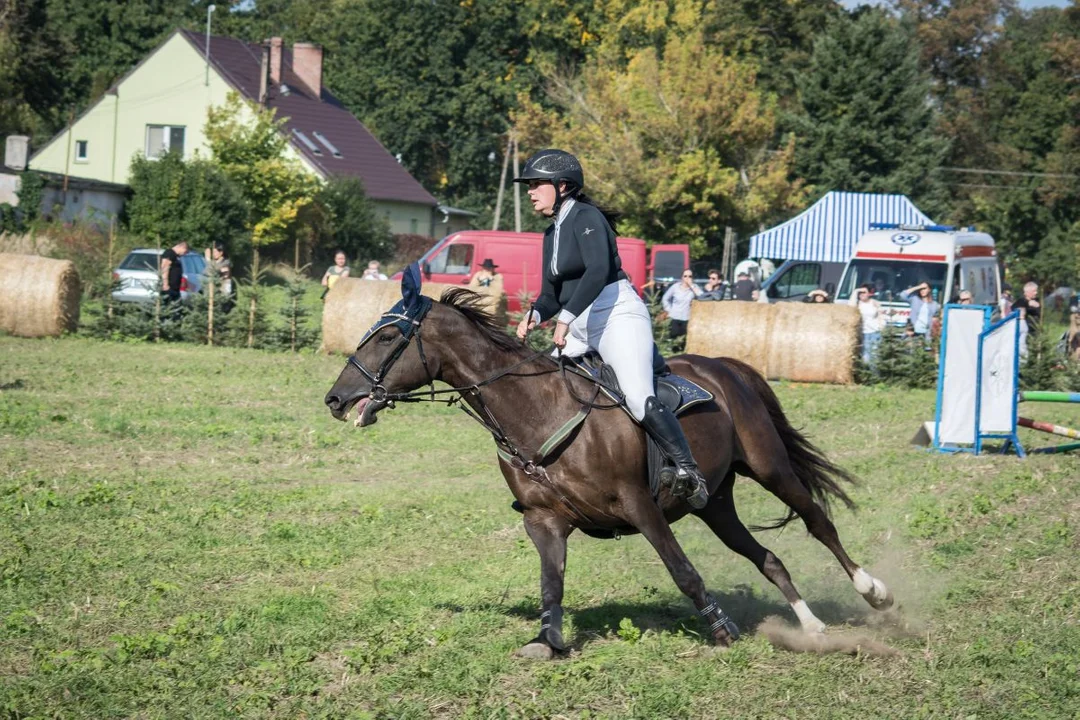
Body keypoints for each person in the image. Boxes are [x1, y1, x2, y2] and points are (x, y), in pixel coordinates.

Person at [513, 148, 709, 508]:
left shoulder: (587, 218)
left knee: (636, 395)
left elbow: (598, 271)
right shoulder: (550, 234)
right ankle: (552, 481)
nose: (530, 190)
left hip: (616, 313)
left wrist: (565, 319)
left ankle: (688, 470)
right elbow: (550, 294)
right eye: (530, 185)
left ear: (563, 186)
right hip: (581, 320)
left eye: (537, 183)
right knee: (547, 387)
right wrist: (536, 316)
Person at [661, 269, 702, 341]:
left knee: (683, 339)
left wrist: (691, 286)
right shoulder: (675, 287)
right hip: (674, 317)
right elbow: (665, 298)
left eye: (690, 276)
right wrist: (669, 310)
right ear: (682, 277)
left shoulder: (694, 287)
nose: (687, 278)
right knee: (673, 337)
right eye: (685, 276)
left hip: (686, 317)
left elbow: (701, 296)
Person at [848, 284, 884, 366]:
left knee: (875, 356)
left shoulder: (875, 303)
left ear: (869, 294)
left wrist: (881, 327)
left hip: (875, 332)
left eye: (864, 292)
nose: (862, 294)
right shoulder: (857, 304)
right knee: (865, 358)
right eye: (860, 293)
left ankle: (875, 376)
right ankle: (866, 374)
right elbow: (850, 305)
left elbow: (881, 316)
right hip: (863, 333)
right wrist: (856, 290)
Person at [203, 241, 234, 314]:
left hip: (222, 289)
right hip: (211, 289)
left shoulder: (226, 262)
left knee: (222, 307)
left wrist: (208, 260)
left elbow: (216, 270)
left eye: (215, 252)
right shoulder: (213, 262)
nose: (213, 254)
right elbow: (205, 272)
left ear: (221, 252)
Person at [1014, 281, 1041, 356]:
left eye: (1036, 290)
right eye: (1034, 291)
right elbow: (1015, 309)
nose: (1036, 293)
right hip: (1026, 330)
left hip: (1035, 329)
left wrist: (1037, 306)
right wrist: (1028, 305)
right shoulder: (1021, 301)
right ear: (1027, 292)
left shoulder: (1037, 301)